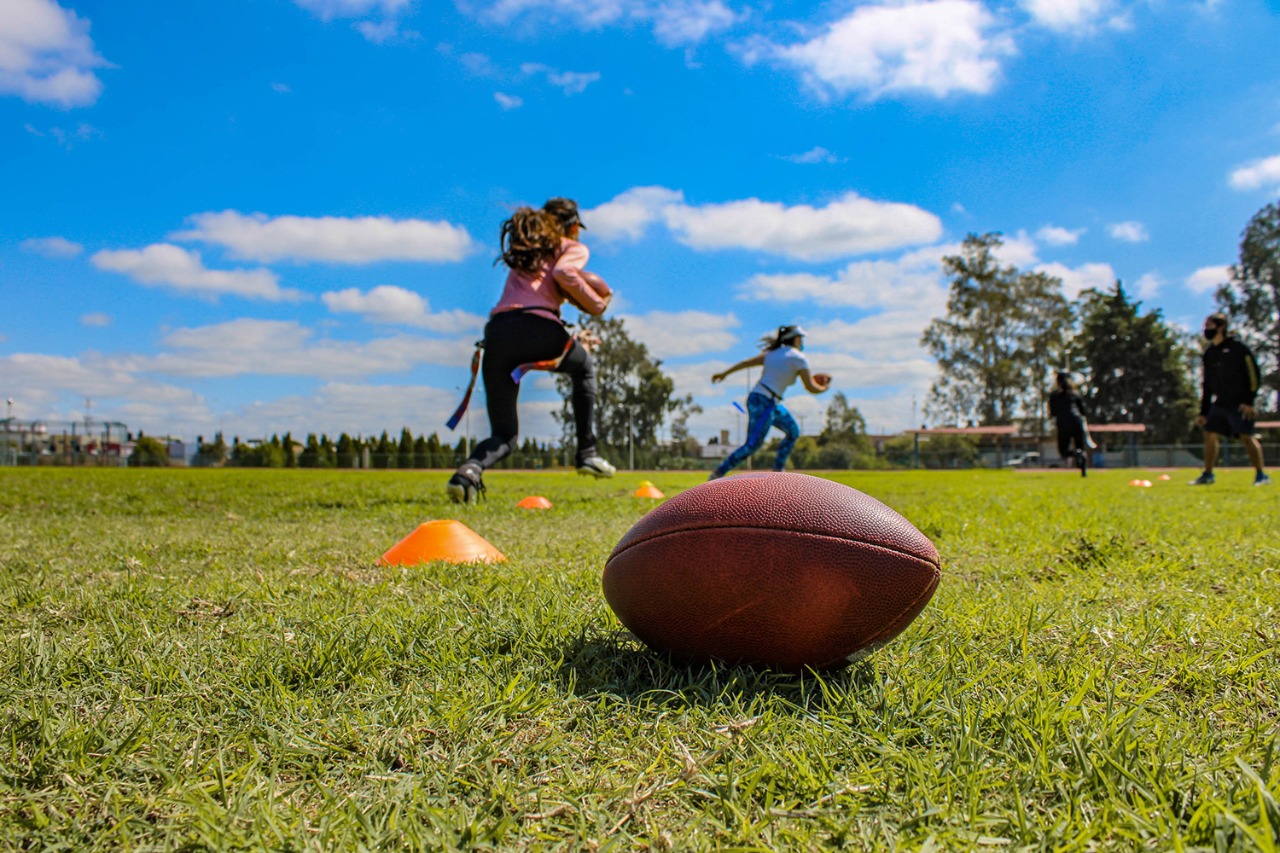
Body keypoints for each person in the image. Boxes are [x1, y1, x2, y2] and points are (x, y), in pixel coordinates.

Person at [447, 199, 616, 503]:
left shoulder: (529, 250)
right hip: (537, 330)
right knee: (584, 366)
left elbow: (530, 300)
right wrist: (598, 304)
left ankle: (468, 472)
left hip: (498, 332)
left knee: (505, 435)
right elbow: (565, 274)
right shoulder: (569, 246)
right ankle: (586, 453)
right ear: (573, 225)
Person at [708, 325, 829, 480]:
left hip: (769, 402)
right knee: (752, 445)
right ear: (796, 339)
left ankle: (778, 473)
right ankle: (717, 474)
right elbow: (811, 387)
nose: (802, 341)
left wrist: (724, 373)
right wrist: (824, 387)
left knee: (793, 431)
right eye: (801, 338)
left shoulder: (771, 354)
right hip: (763, 401)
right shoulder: (799, 358)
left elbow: (745, 363)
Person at [1191, 312, 1270, 486]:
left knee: (1246, 436)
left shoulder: (1238, 348)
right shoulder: (1209, 353)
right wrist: (1204, 412)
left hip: (1240, 402)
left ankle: (1261, 475)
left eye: (1209, 326)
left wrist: (1249, 401)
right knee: (1210, 434)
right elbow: (1207, 384)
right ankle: (1208, 475)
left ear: (1221, 327)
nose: (1206, 330)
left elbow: (1254, 375)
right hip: (1220, 402)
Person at [1048, 371, 1092, 477]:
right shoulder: (1075, 394)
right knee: (1080, 447)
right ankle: (1083, 470)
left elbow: (1052, 412)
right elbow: (1082, 411)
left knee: (1064, 451)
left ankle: (1074, 454)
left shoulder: (1054, 395)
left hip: (1063, 423)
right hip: (1076, 421)